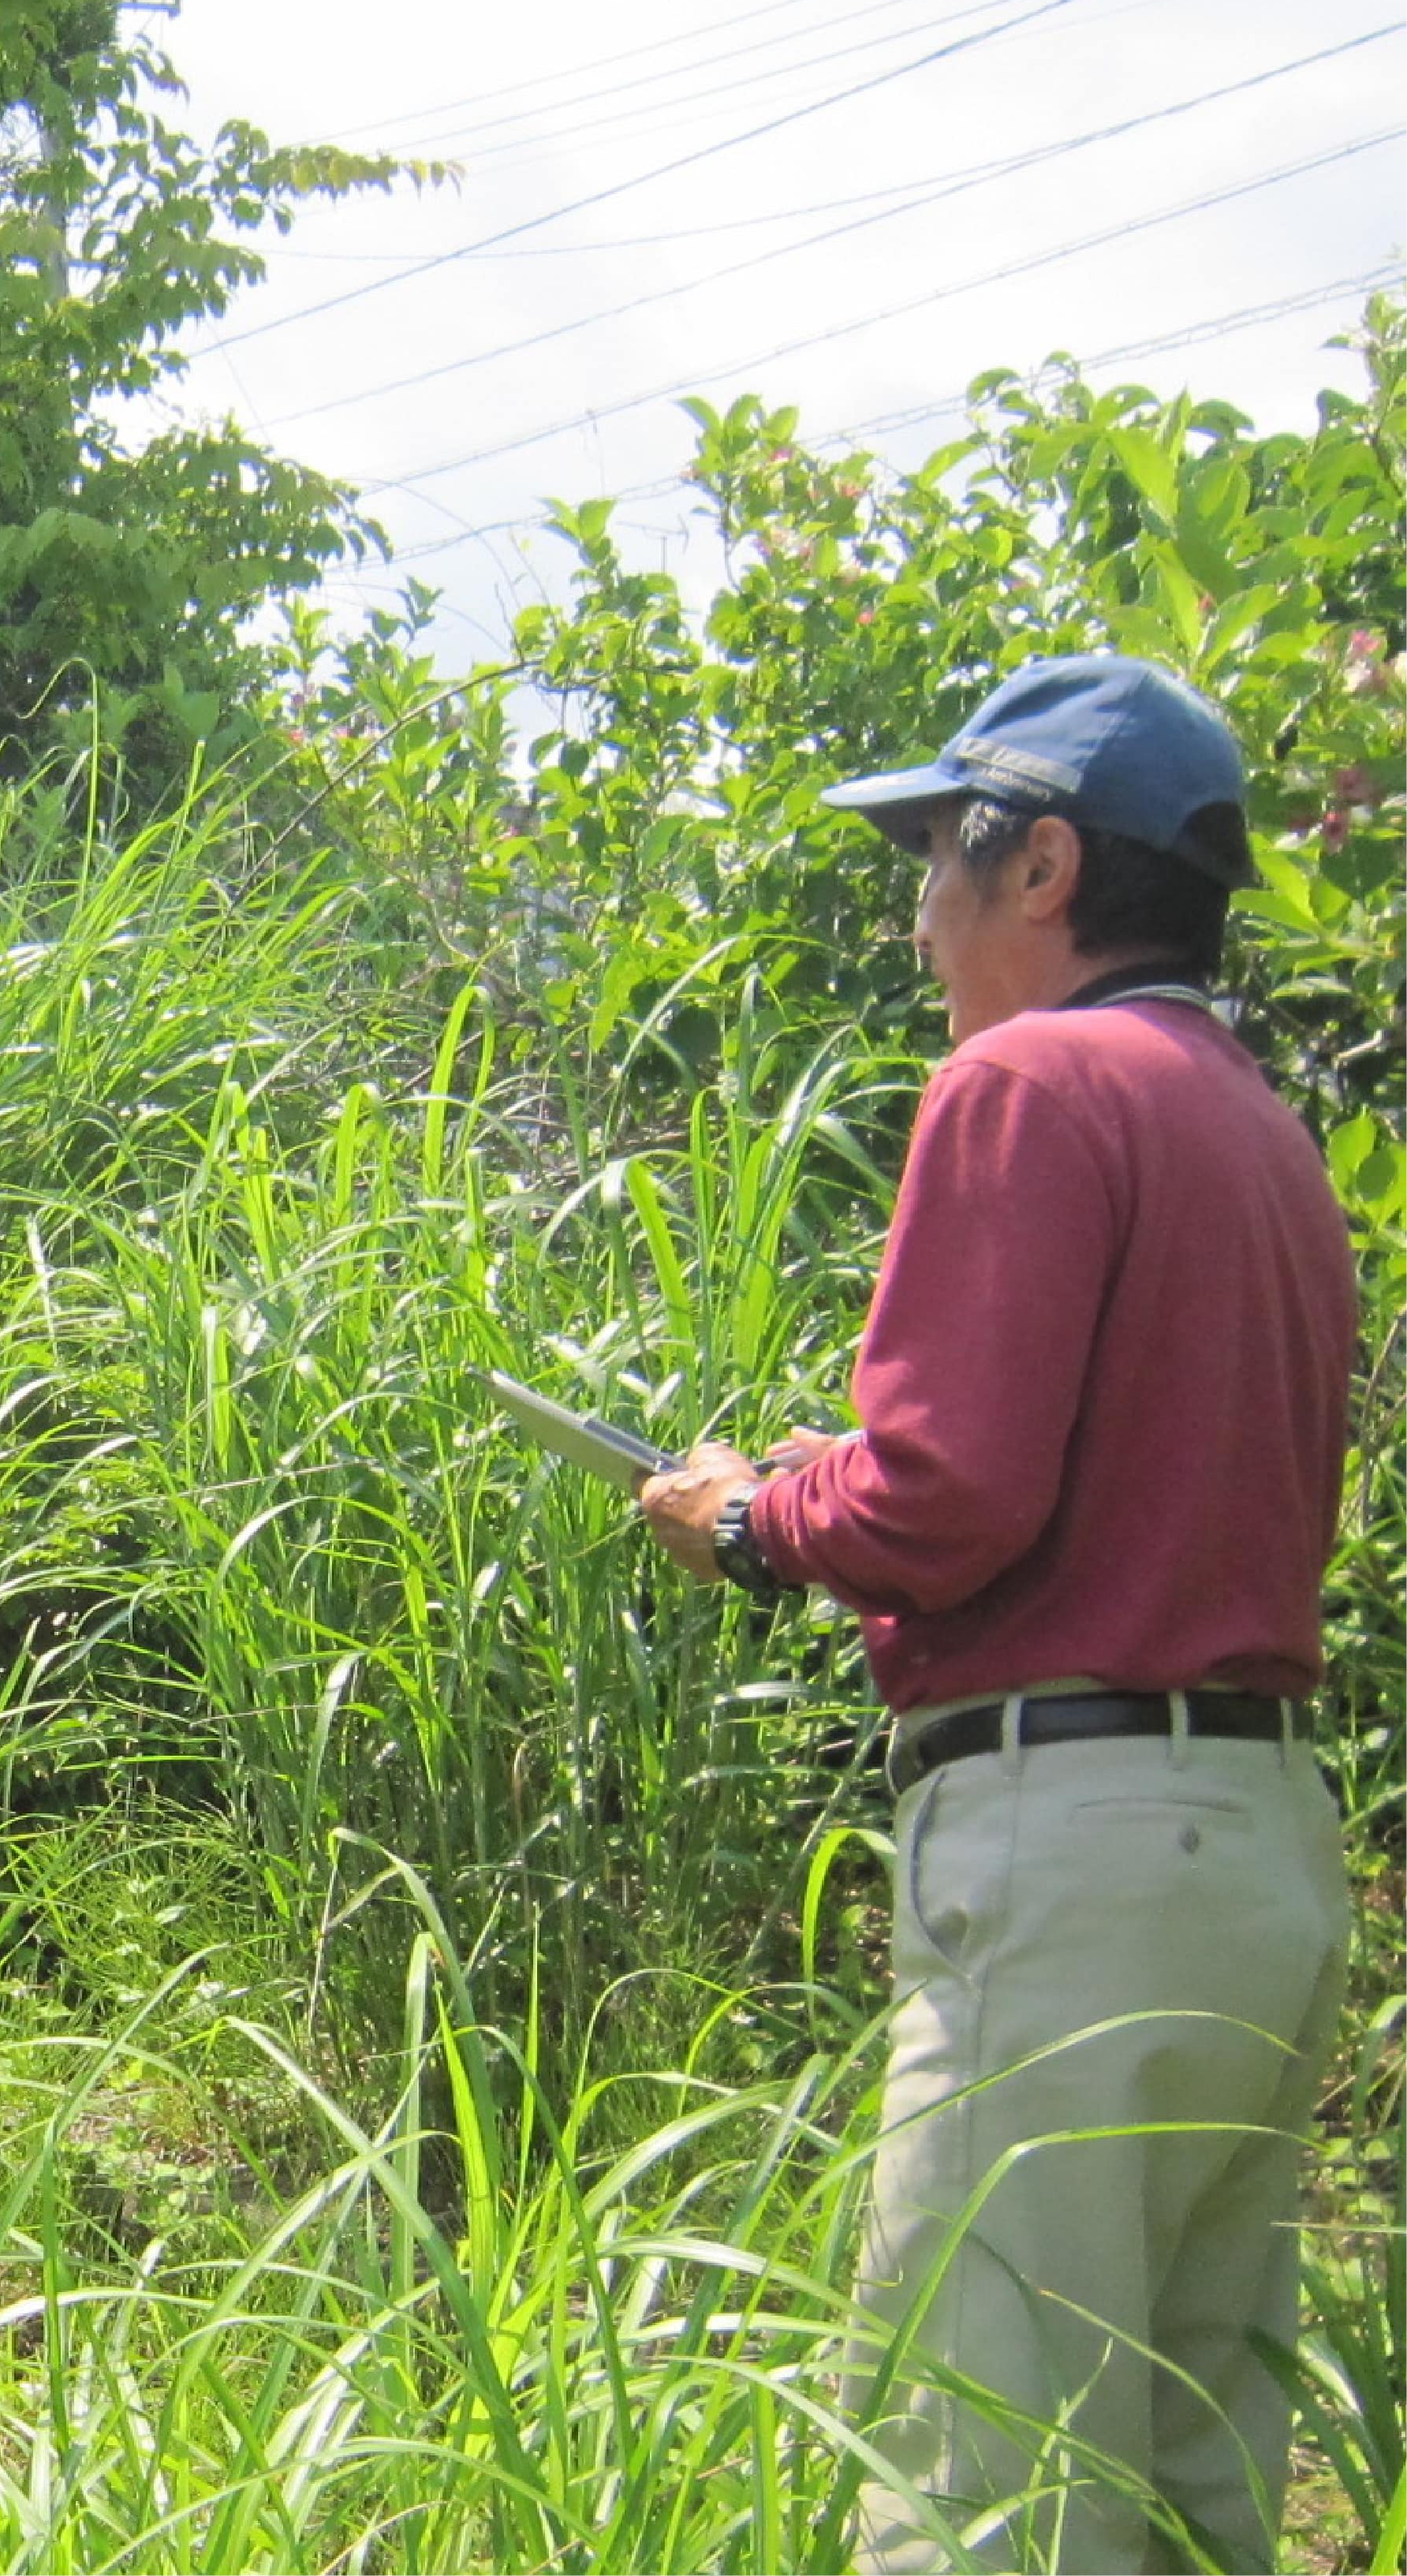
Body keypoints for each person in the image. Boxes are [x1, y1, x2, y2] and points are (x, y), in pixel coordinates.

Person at [632, 653, 1359, 2574]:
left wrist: (757, 1518)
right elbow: (1155, 1490)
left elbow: (946, 1498)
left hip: (1075, 1861)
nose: (914, 912)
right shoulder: (1261, 1134)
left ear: (1040, 865)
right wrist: (837, 1474)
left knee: (990, 2492)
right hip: (1260, 1854)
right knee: (1193, 2478)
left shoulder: (1027, 1079)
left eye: (935, 859)